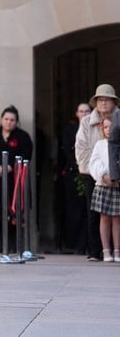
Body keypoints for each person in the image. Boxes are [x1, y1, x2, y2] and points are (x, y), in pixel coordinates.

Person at [75, 84, 117, 261]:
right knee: (94, 213)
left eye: (107, 99)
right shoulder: (86, 122)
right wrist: (95, 173)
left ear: (114, 102)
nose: (104, 103)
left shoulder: (119, 119)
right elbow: (81, 149)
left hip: (117, 175)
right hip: (92, 174)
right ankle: (95, 251)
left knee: (117, 215)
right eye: (100, 100)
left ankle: (117, 250)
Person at [0, 105, 34, 251]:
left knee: (14, 212)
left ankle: (14, 245)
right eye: (6, 119)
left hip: (15, 180)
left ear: (16, 122)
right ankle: (1, 243)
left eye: (12, 120)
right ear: (1, 120)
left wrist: (12, 167)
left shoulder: (23, 137)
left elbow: (27, 155)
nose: (9, 122)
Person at [59, 102, 91, 254]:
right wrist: (79, 165)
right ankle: (74, 244)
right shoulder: (69, 130)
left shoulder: (96, 128)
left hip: (92, 173)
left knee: (89, 211)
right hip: (74, 173)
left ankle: (88, 244)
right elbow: (66, 150)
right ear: (77, 113)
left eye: (87, 111)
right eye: (81, 111)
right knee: (74, 211)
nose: (84, 114)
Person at [89, 117, 120, 262]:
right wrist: (103, 174)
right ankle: (106, 250)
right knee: (105, 218)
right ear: (102, 129)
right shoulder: (100, 145)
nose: (109, 130)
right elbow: (94, 162)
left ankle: (117, 251)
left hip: (117, 185)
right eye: (106, 127)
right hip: (103, 184)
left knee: (117, 219)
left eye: (112, 127)